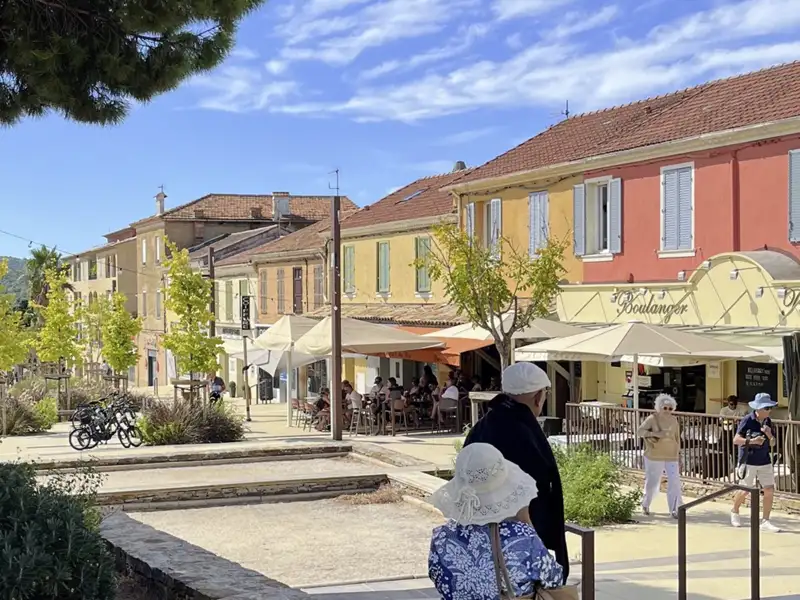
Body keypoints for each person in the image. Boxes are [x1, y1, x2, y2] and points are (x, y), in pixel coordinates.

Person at [464, 362, 569, 582]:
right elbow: (533, 491)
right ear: (539, 397)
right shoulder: (525, 433)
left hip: (478, 538)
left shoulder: (482, 426)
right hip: (518, 542)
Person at [428, 443, 564, 600]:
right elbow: (554, 578)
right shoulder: (523, 537)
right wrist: (527, 523)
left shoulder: (441, 538)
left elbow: (439, 579)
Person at [731, 393, 780, 532]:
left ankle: (765, 520)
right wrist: (752, 441)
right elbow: (736, 440)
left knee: (769, 489)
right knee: (745, 490)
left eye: (770, 408)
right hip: (748, 460)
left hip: (764, 460)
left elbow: (774, 443)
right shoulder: (747, 420)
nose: (769, 410)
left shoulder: (768, 421)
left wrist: (769, 434)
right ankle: (734, 510)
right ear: (758, 408)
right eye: (767, 408)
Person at [637, 393, 682, 517]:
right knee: (652, 482)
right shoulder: (652, 418)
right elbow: (640, 431)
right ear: (659, 407)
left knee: (674, 482)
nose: (667, 410)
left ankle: (675, 509)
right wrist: (655, 434)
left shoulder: (674, 420)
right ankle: (645, 504)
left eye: (670, 408)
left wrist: (678, 453)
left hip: (671, 455)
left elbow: (677, 437)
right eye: (665, 408)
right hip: (654, 455)